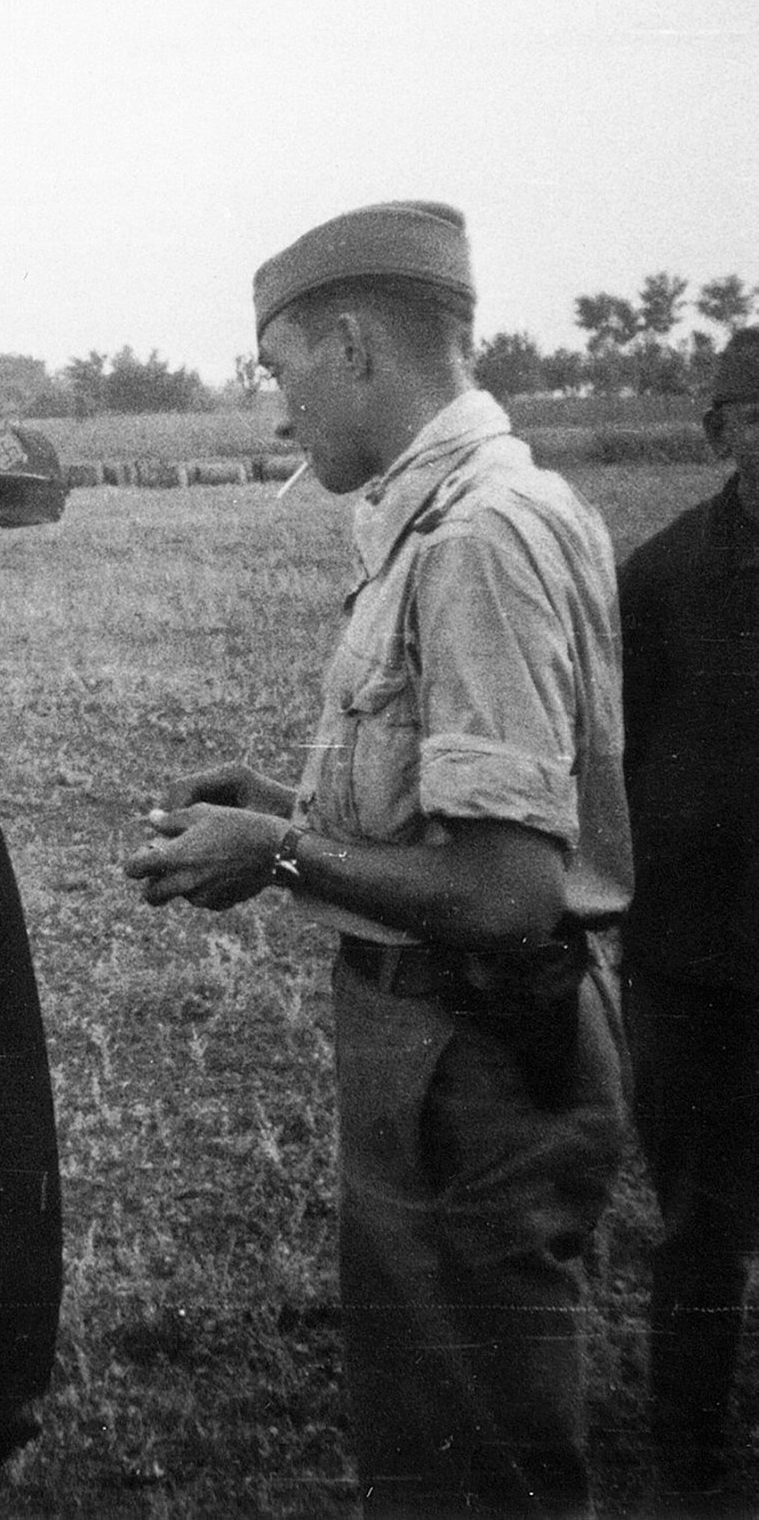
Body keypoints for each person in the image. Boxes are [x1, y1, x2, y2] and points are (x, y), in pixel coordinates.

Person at [123, 201, 631, 1515]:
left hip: (474, 1068)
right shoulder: (470, 514)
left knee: (469, 1472)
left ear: (350, 343)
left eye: (279, 368)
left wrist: (281, 853)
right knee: (436, 1444)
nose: (280, 412)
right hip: (454, 1056)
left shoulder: (476, 536)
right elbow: (463, 821)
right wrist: (283, 801)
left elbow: (512, 894)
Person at [618, 325, 759, 1507]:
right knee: (699, 1227)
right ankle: (686, 1459)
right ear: (718, 431)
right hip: (695, 966)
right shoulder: (660, 578)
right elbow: (607, 763)